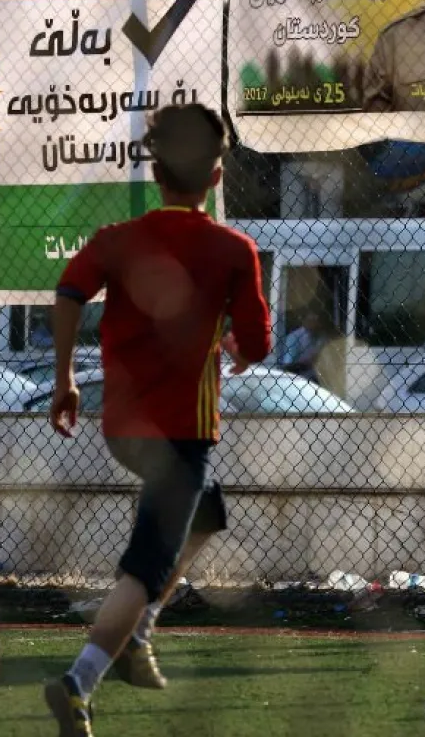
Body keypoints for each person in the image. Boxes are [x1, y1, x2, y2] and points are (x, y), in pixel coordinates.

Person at [43, 103, 272, 736]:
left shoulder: (117, 239)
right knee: (146, 566)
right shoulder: (233, 250)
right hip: (182, 435)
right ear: (217, 176)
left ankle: (138, 631)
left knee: (208, 513)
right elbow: (257, 344)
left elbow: (68, 293)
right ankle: (80, 681)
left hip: (123, 428)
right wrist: (233, 344)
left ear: (155, 170)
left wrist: (64, 379)